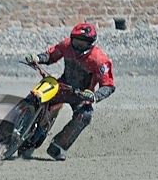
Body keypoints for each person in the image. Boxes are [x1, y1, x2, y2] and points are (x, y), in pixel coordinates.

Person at [23, 23, 115, 160]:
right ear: (71, 39)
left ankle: (58, 146)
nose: (78, 46)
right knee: (36, 96)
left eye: (83, 43)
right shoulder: (67, 45)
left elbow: (108, 85)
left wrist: (94, 96)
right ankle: (17, 124)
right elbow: (51, 55)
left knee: (86, 115)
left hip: (82, 95)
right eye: (76, 41)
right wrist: (37, 58)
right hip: (62, 86)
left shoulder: (100, 60)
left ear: (91, 43)